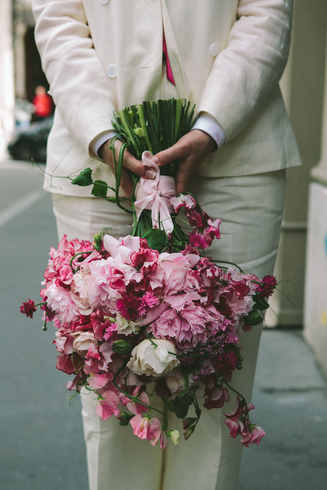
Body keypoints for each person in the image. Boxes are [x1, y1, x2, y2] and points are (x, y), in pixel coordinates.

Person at [32, 1, 301, 489]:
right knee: (112, 378)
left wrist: (213, 124)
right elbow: (60, 20)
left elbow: (266, 10)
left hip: (236, 148)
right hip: (98, 152)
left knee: (216, 375)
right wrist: (101, 133)